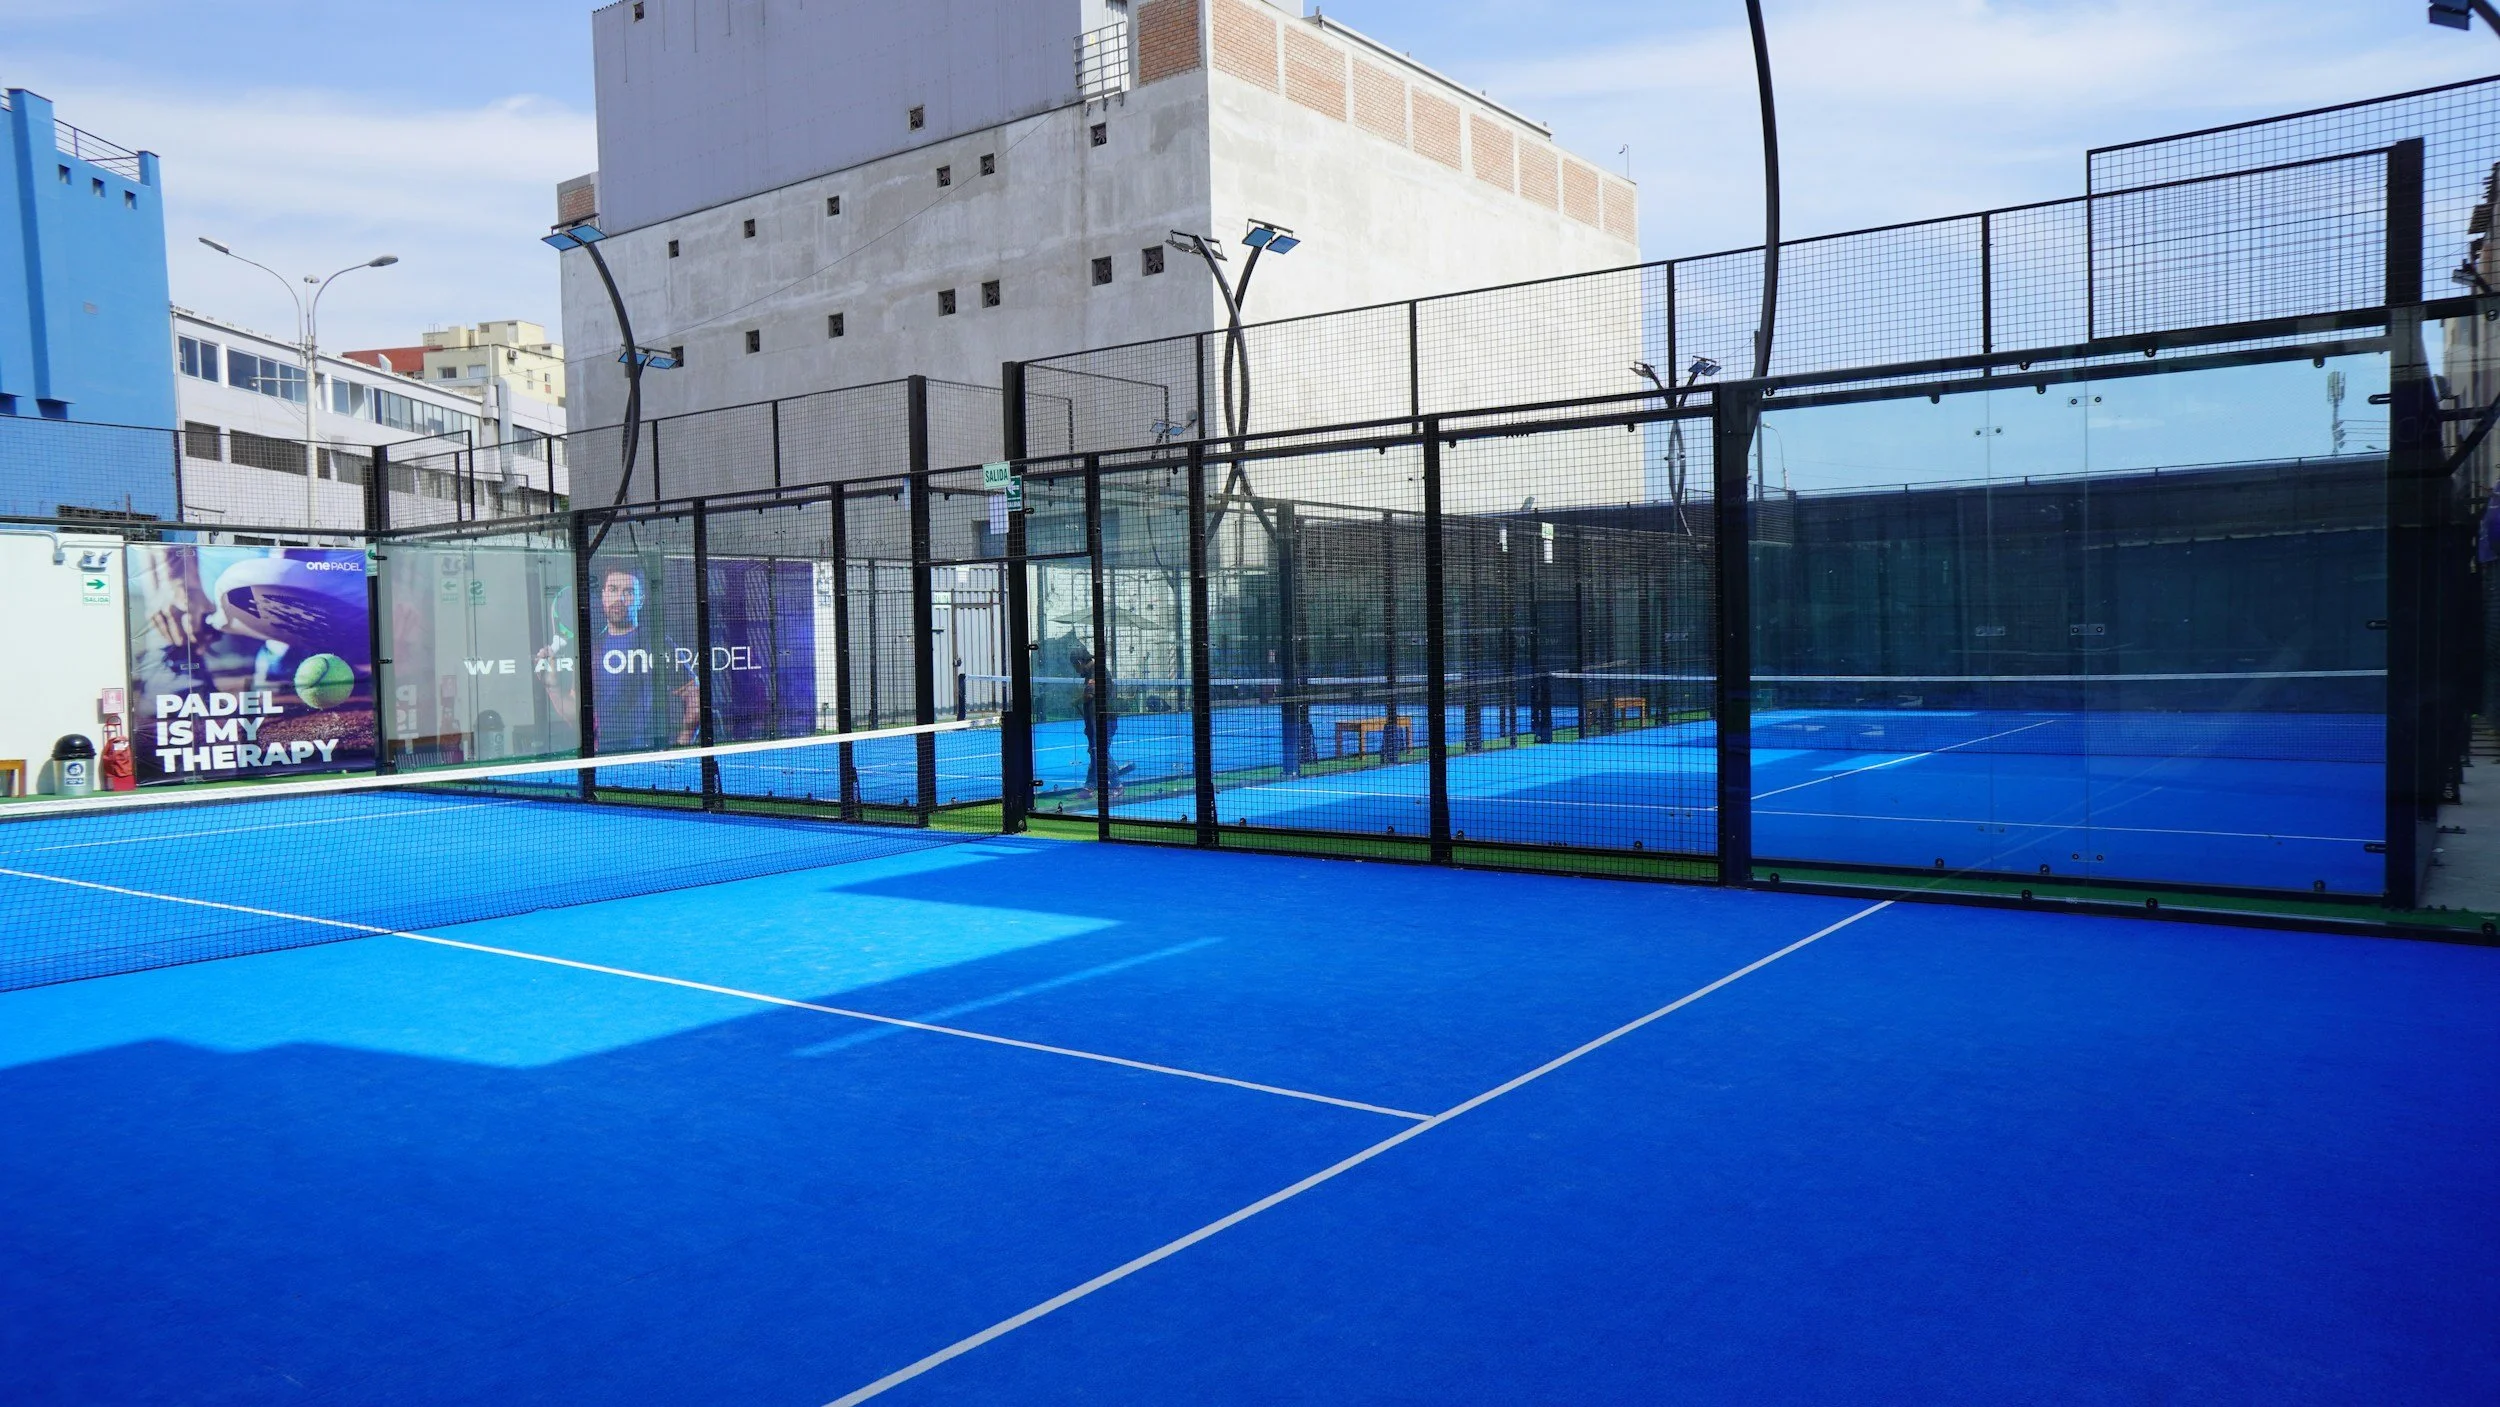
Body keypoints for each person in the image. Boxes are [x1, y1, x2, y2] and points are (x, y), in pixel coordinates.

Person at [541, 565, 698, 752]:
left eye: (629, 592)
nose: (619, 599)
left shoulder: (657, 644)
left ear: (640, 600)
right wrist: (552, 686)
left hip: (653, 755)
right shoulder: (590, 649)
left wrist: (681, 747)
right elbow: (577, 715)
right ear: (603, 595)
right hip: (605, 757)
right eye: (613, 589)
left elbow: (694, 697)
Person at [1070, 644, 1120, 801]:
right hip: (1095, 721)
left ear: (1079, 662)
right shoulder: (1091, 673)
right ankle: (1090, 787)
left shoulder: (1097, 671)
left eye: (1075, 667)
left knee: (1099, 752)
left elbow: (1089, 695)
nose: (1076, 671)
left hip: (1104, 720)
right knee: (1095, 751)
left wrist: (1075, 701)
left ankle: (1117, 785)